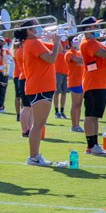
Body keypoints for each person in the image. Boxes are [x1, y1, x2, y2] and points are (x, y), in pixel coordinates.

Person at [20, 20, 64, 165]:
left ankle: (35, 156)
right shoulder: (34, 43)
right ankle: (33, 157)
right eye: (37, 26)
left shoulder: (35, 42)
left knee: (39, 124)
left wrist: (55, 40)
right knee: (38, 124)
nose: (40, 28)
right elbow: (51, 58)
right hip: (40, 86)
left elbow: (59, 51)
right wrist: (56, 40)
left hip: (42, 86)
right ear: (29, 31)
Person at [79, 17, 106, 156]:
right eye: (95, 27)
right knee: (90, 115)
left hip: (100, 82)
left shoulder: (95, 43)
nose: (99, 29)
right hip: (93, 82)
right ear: (87, 29)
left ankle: (94, 145)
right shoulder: (88, 43)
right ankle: (91, 146)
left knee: (95, 115)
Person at [12, 34, 33, 135]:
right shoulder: (22, 50)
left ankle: (28, 129)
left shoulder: (19, 50)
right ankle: (26, 129)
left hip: (24, 77)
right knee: (27, 107)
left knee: (29, 107)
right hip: (25, 78)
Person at [65, 36, 85, 133]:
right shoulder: (69, 53)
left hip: (82, 81)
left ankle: (77, 124)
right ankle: (74, 125)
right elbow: (79, 60)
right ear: (70, 43)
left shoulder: (79, 52)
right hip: (74, 81)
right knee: (75, 104)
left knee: (79, 104)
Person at [53, 37, 69, 119]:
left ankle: (62, 111)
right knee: (56, 92)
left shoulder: (67, 42)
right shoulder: (56, 41)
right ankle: (56, 112)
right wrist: (58, 38)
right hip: (57, 70)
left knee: (64, 92)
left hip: (66, 70)